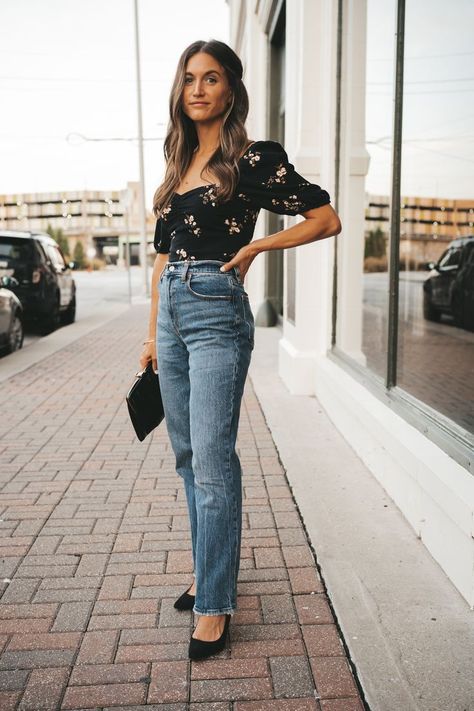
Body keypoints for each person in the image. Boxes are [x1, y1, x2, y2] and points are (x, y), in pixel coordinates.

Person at [140, 39, 342, 661]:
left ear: (231, 89)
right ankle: (209, 572)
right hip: (173, 310)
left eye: (211, 78)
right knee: (185, 455)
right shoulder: (177, 165)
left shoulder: (251, 159)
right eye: (189, 79)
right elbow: (160, 258)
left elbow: (325, 217)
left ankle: (214, 606)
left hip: (215, 311)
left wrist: (257, 249)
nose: (197, 89)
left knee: (213, 461)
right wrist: (150, 335)